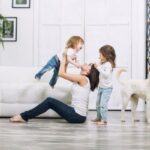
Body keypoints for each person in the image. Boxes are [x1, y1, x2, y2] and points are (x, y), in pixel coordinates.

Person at [10, 49, 99, 124]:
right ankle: (24, 116)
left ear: (88, 72)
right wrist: (67, 61)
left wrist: (64, 58)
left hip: (77, 116)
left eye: (89, 65)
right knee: (50, 101)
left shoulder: (83, 79)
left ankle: (23, 116)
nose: (87, 63)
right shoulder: (81, 79)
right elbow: (64, 73)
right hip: (78, 116)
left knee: (50, 101)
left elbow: (61, 73)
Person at [92, 45, 116, 125]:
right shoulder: (104, 63)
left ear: (106, 55)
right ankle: (99, 117)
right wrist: (98, 64)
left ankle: (104, 120)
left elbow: (106, 75)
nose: (99, 56)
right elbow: (100, 68)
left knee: (103, 104)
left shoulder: (108, 64)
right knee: (98, 103)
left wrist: (98, 67)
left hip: (107, 88)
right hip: (101, 87)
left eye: (100, 54)